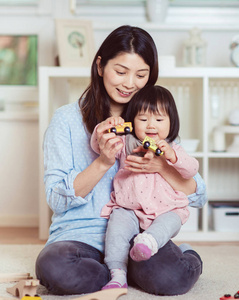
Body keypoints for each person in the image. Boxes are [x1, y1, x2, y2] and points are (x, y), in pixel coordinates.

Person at [35, 25, 206, 296]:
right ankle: (119, 270)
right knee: (54, 267)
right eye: (121, 71)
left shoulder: (152, 122)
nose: (129, 84)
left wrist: (161, 167)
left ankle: (168, 258)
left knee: (171, 278)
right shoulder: (66, 120)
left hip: (141, 234)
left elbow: (198, 193)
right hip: (81, 237)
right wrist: (102, 161)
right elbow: (57, 199)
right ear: (101, 66)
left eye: (141, 75)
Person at [90, 84, 200, 290]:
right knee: (116, 231)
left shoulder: (173, 148)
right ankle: (117, 273)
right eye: (143, 119)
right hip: (128, 208)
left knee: (169, 222)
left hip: (167, 209)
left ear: (171, 123)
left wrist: (172, 157)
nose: (151, 125)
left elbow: (192, 169)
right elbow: (97, 145)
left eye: (159, 119)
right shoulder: (125, 142)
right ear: (132, 121)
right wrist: (105, 126)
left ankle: (149, 242)